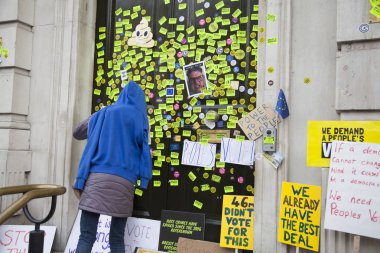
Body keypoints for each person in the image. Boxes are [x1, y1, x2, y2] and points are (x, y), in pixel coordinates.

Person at [73, 81, 152, 253]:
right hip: (123, 184)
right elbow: (145, 152)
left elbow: (77, 132)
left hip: (96, 181)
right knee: (116, 240)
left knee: (86, 236)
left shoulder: (105, 113)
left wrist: (99, 115)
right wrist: (144, 178)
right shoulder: (141, 119)